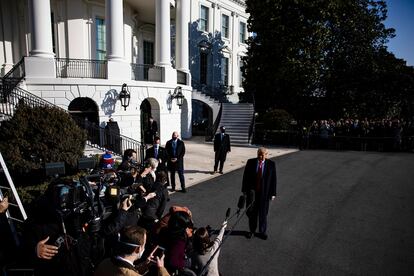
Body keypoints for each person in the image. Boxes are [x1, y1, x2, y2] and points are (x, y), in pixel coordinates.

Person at [94, 225, 170, 276]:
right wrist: (161, 268)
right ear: (138, 249)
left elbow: (124, 270)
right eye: (144, 244)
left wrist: (144, 265)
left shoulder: (105, 262)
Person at [241, 147, 277, 240]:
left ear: (266, 155)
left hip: (265, 193)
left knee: (263, 213)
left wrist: (273, 193)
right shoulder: (250, 162)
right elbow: (245, 177)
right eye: (259, 154)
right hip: (252, 193)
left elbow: (273, 180)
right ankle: (251, 231)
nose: (260, 157)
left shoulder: (271, 164)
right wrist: (244, 190)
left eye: (263, 155)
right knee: (252, 212)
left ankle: (262, 232)